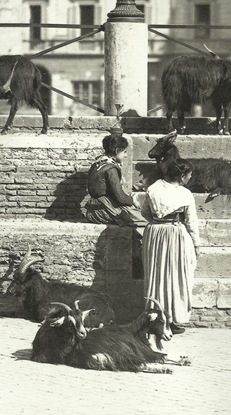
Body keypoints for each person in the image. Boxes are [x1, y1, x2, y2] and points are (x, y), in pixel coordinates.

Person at [142, 159, 200, 335]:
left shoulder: (152, 189)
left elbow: (145, 212)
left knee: (156, 275)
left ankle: (155, 318)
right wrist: (196, 244)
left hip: (154, 233)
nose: (189, 179)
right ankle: (171, 319)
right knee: (175, 275)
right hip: (175, 234)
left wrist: (157, 223)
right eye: (189, 176)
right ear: (182, 176)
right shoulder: (184, 194)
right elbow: (191, 222)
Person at [85, 134, 147, 277]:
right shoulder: (110, 168)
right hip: (102, 208)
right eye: (124, 152)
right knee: (142, 221)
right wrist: (133, 201)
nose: (125, 155)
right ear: (117, 150)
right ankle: (141, 263)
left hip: (95, 207)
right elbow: (119, 196)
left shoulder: (98, 163)